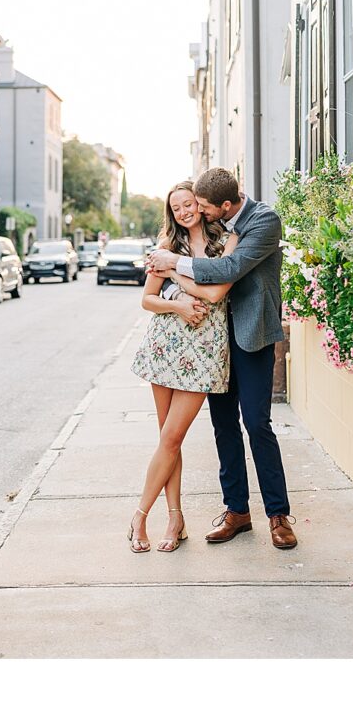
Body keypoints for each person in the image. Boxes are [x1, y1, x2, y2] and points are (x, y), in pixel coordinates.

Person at [145, 164, 297, 550]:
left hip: (250, 334)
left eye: (202, 205)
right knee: (223, 425)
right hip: (211, 344)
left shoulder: (262, 221)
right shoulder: (211, 228)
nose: (197, 210)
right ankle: (237, 512)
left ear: (224, 205)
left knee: (257, 424)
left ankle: (278, 515)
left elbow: (227, 270)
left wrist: (171, 266)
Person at [127, 179, 234, 552]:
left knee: (172, 438)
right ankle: (175, 517)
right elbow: (148, 300)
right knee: (166, 441)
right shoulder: (167, 246)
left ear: (201, 204)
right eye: (176, 208)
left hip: (203, 351)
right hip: (165, 347)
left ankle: (139, 516)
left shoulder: (225, 243)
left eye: (189, 204)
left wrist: (174, 274)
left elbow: (217, 293)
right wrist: (179, 304)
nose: (184, 212)